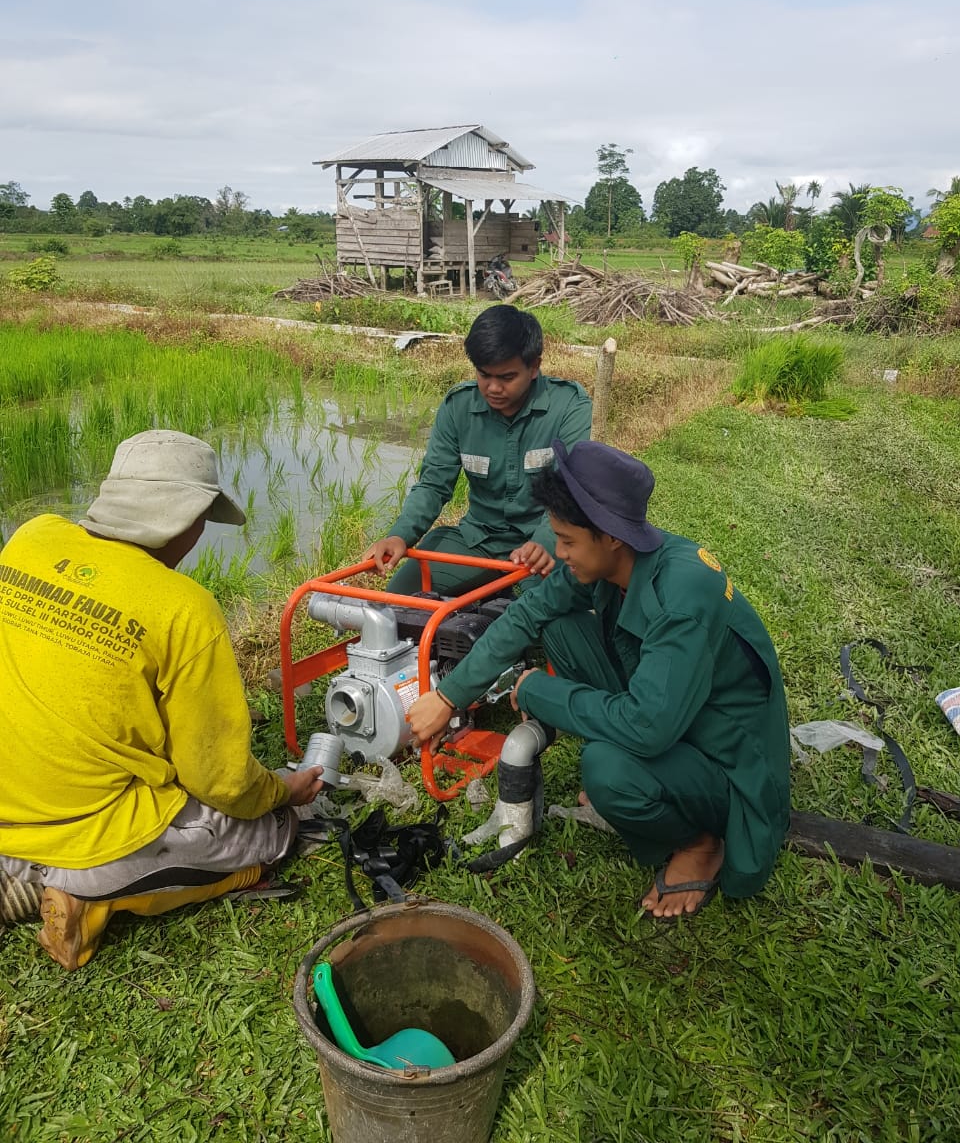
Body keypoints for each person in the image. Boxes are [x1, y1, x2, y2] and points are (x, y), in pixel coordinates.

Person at [407, 440, 791, 919]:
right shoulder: (615, 559)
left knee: (608, 770)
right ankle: (653, 784)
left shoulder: (681, 597)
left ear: (611, 535)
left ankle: (700, 840)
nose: (558, 553)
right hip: (682, 713)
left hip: (728, 756)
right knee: (560, 626)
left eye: (567, 541)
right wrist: (448, 695)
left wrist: (538, 691)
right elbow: (530, 613)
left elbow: (649, 727)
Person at [0, 430, 327, 970]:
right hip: (87, 833)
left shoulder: (31, 538)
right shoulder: (184, 609)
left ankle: (22, 870)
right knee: (274, 835)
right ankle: (89, 896)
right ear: (189, 521)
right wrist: (285, 791)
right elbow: (222, 783)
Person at [363, 304, 592, 597]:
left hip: (546, 540)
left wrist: (544, 544)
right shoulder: (458, 406)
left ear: (534, 366)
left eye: (507, 377)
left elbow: (570, 490)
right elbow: (433, 485)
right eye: (484, 375)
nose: (493, 387)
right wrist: (399, 535)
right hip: (477, 541)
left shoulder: (569, 405)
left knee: (542, 612)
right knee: (403, 596)